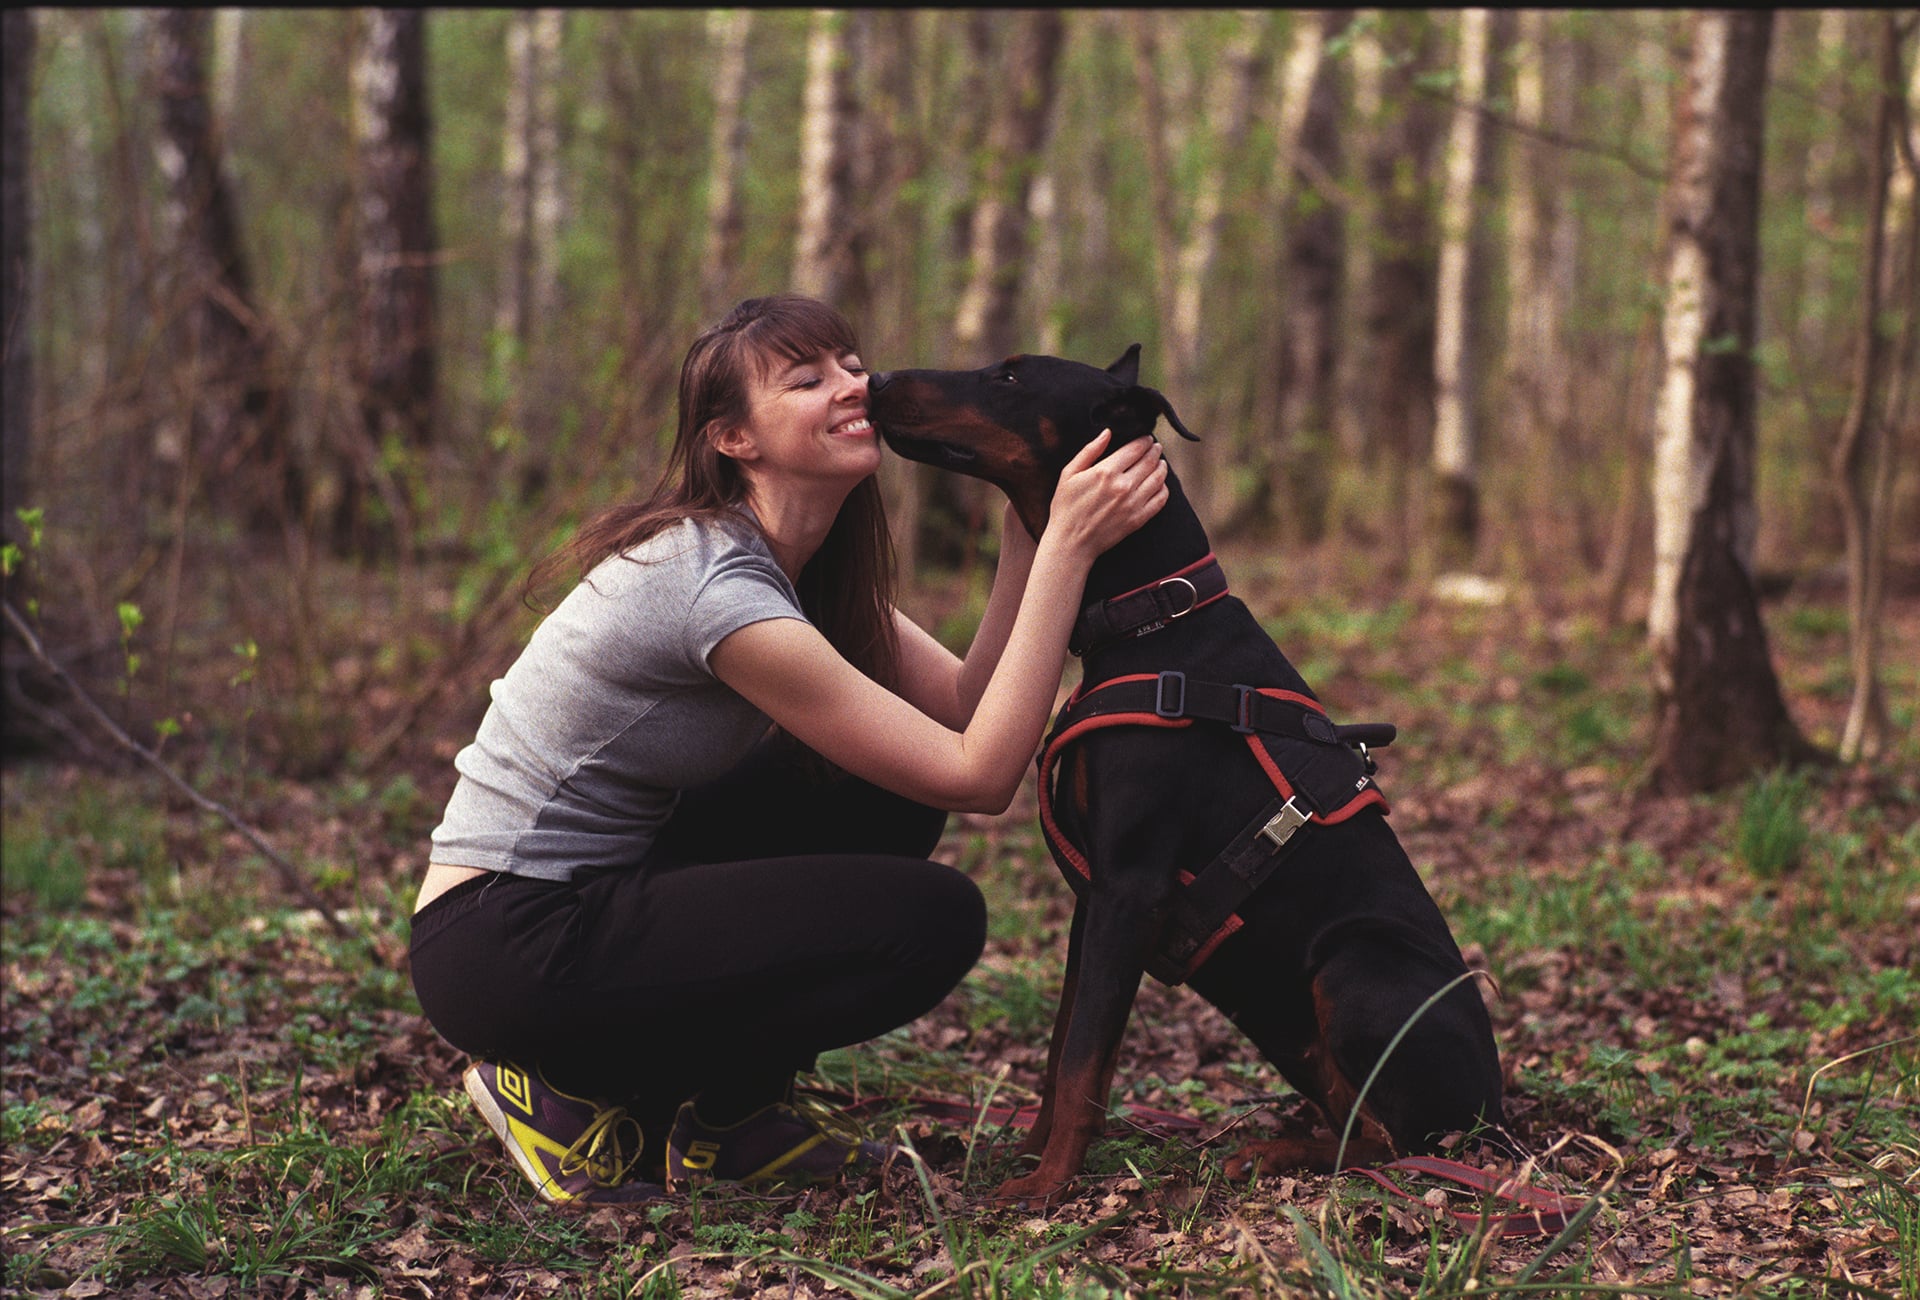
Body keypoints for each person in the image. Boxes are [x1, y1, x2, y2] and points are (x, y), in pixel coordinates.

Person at [408, 294, 1169, 1206]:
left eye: (850, 363)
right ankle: (564, 1089)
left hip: (591, 896)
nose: (854, 386)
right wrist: (1069, 553)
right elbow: (982, 775)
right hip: (505, 940)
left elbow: (966, 706)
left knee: (885, 794)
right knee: (930, 919)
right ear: (736, 439)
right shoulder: (712, 585)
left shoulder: (799, 569)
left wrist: (1028, 525)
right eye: (807, 380)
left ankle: (729, 1122)